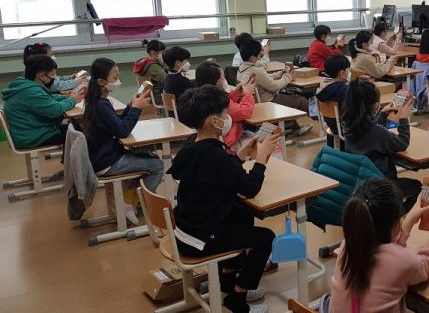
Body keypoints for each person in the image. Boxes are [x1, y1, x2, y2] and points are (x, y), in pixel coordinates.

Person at [171, 85, 280, 313]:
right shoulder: (215, 156)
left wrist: (240, 155)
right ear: (214, 121)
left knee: (241, 213)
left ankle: (228, 282)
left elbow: (219, 174)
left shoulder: (192, 145)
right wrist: (260, 159)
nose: (228, 118)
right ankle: (237, 299)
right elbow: (249, 188)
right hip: (200, 239)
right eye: (225, 114)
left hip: (185, 228)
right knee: (266, 238)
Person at [330, 178, 429, 313]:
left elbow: (388, 250)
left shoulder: (347, 247)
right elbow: (427, 265)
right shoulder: (401, 261)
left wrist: (408, 221)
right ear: (396, 223)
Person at [78, 58, 165, 224]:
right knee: (157, 165)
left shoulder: (97, 101)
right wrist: (136, 108)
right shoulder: (101, 105)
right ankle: (134, 203)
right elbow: (123, 131)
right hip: (107, 162)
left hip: (102, 157)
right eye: (115, 78)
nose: (118, 81)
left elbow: (116, 124)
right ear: (102, 82)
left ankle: (132, 199)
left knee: (149, 157)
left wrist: (131, 105)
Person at [341, 79, 421, 209]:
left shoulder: (348, 125)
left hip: (362, 182)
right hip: (382, 186)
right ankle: (395, 215)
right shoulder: (376, 132)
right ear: (375, 106)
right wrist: (404, 119)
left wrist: (382, 114)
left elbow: (368, 127)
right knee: (418, 186)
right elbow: (402, 143)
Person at [2, 55, 85, 148]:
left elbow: (46, 99)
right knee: (83, 134)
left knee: (78, 128)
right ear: (41, 76)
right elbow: (55, 110)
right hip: (33, 137)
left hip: (32, 131)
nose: (54, 78)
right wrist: (73, 99)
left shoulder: (25, 85)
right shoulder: (31, 91)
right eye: (52, 75)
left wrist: (65, 96)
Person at [237, 40, 312, 136]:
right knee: (301, 100)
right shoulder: (255, 70)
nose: (260, 58)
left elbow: (265, 78)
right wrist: (288, 77)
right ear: (252, 58)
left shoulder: (241, 69)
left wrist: (280, 73)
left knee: (288, 98)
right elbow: (274, 87)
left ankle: (293, 127)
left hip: (254, 103)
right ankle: (317, 119)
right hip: (268, 102)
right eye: (259, 56)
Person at [195, 60, 256, 153]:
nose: (225, 80)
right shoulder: (217, 100)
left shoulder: (202, 95)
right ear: (215, 82)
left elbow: (230, 106)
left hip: (214, 138)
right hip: (228, 142)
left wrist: (236, 93)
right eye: (223, 78)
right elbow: (244, 112)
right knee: (257, 139)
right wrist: (248, 94)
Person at [23, 43, 88, 94]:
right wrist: (75, 82)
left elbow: (54, 79)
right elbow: (54, 86)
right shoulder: (41, 71)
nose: (53, 57)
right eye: (51, 56)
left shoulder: (39, 69)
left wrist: (68, 77)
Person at [316, 55, 350, 149]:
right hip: (347, 129)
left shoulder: (321, 89)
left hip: (333, 127)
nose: (349, 72)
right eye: (348, 70)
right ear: (342, 73)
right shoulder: (345, 91)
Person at [133, 39, 169, 104]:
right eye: (162, 52)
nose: (164, 55)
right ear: (153, 52)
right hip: (159, 97)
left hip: (154, 95)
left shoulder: (146, 63)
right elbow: (167, 80)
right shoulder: (153, 67)